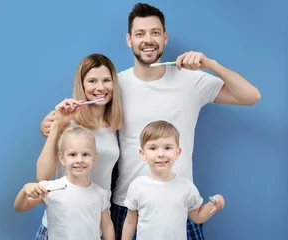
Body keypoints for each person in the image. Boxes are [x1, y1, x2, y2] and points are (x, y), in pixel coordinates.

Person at [40, 3, 261, 239]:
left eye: (155, 32)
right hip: (127, 206)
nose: (148, 39)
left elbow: (251, 96)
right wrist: (52, 124)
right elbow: (84, 118)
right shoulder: (115, 86)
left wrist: (211, 64)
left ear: (165, 37)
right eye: (140, 34)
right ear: (129, 39)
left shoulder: (191, 81)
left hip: (179, 203)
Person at [35, 53, 122, 239]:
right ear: (81, 85)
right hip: (61, 225)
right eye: (92, 81)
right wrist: (57, 126)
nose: (100, 87)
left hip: (94, 227)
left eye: (107, 80)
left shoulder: (116, 125)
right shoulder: (66, 121)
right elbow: (43, 177)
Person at [121, 120, 225, 240]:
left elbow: (197, 217)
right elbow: (130, 222)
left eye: (167, 148)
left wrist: (214, 204)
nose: (161, 154)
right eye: (153, 148)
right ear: (142, 153)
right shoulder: (137, 186)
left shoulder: (186, 186)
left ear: (177, 152)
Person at [14, 125, 115, 240]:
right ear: (62, 158)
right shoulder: (50, 188)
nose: (79, 160)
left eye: (85, 154)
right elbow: (19, 207)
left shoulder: (100, 193)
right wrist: (24, 190)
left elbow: (106, 225)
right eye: (73, 155)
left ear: (94, 157)